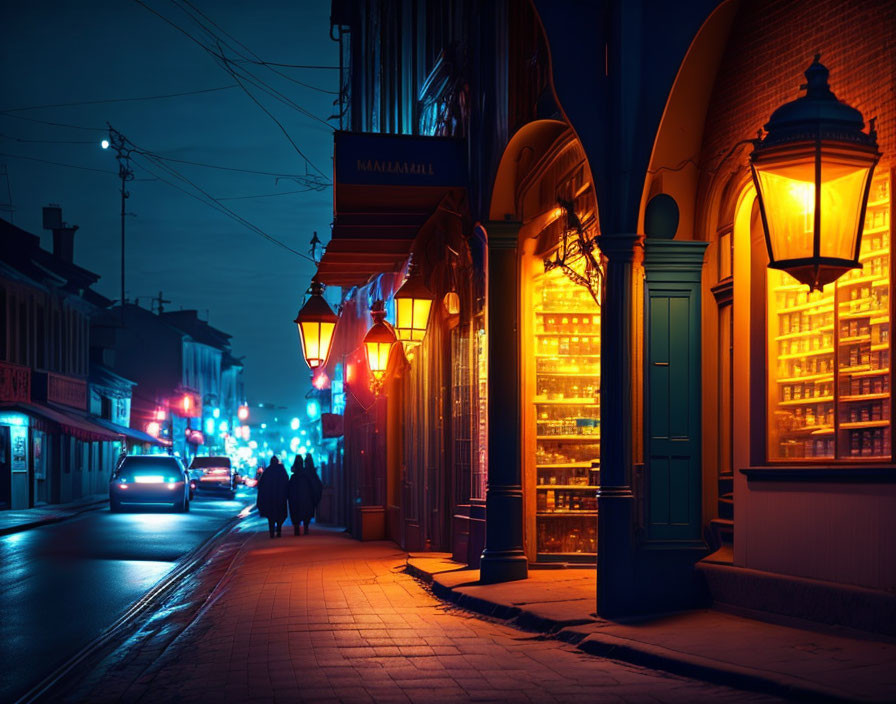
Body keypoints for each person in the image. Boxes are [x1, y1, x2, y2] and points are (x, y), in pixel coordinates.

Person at [288, 454, 324, 535]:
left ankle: (297, 529)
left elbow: (289, 489)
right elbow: (315, 486)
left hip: (295, 499)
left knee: (295, 513)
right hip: (306, 498)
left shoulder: (293, 478)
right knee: (306, 513)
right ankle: (305, 528)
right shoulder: (307, 476)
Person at [256, 455, 288, 538]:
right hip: (280, 497)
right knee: (280, 515)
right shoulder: (282, 471)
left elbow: (261, 485)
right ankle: (279, 530)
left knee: (271, 517)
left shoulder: (267, 471)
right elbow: (286, 483)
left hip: (269, 498)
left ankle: (271, 532)